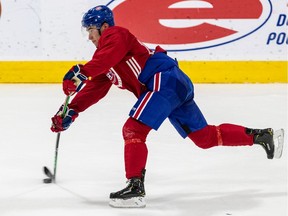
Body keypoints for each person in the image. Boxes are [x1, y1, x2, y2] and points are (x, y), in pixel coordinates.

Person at [50, 5, 283, 208]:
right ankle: (262, 136)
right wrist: (71, 111)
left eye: (90, 30)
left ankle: (135, 188)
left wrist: (81, 71)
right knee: (204, 138)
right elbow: (96, 87)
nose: (89, 37)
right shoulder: (104, 57)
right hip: (173, 84)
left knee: (133, 129)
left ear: (103, 26)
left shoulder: (116, 35)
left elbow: (102, 61)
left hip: (164, 81)